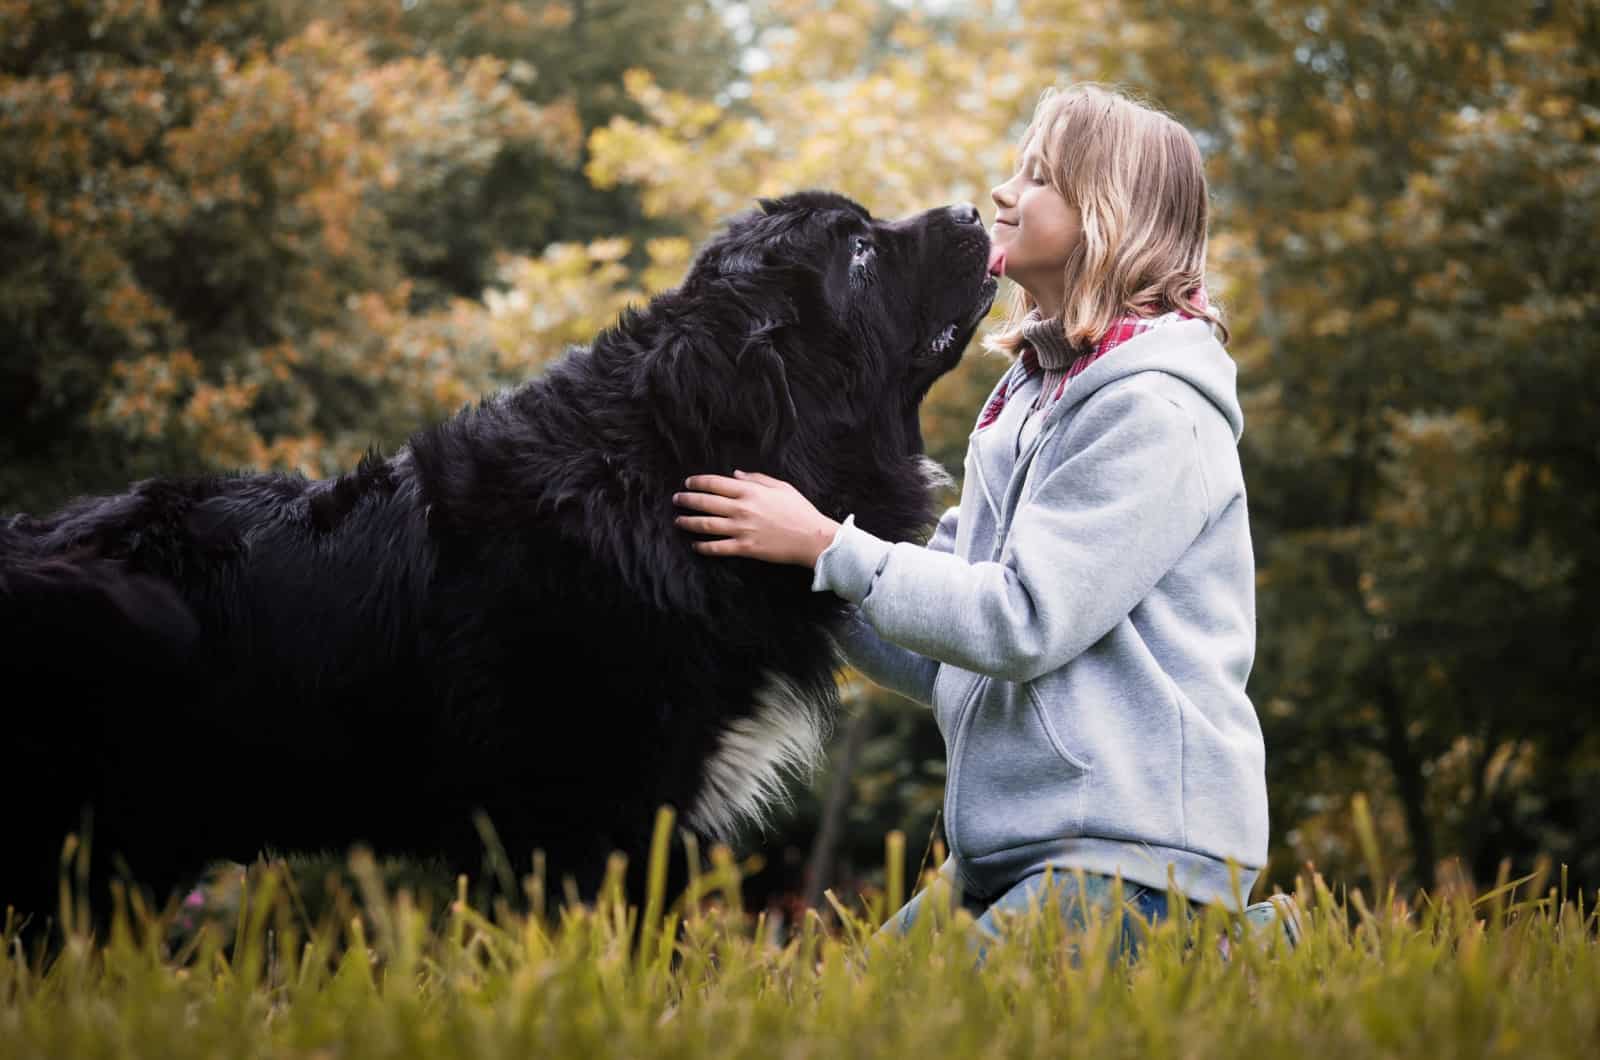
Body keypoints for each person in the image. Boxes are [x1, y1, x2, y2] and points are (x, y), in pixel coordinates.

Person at [670, 83, 1298, 960]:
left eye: (1039, 176)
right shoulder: (1033, 396)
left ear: (1108, 215)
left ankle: (1235, 953)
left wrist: (829, 544)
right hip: (1008, 854)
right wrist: (800, 568)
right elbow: (942, 649)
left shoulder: (1154, 413)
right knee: (826, 1017)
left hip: (1130, 861)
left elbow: (1019, 620)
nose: (1004, 192)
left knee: (902, 1034)